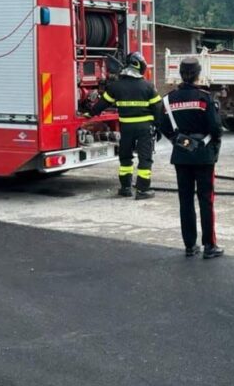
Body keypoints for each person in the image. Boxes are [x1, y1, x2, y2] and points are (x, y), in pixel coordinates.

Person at [158, 57, 225, 259]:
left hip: (181, 155)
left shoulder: (168, 100)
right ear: (198, 74)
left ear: (180, 74)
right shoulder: (205, 99)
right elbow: (216, 128)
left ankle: (190, 245)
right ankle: (209, 246)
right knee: (206, 201)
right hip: (204, 155)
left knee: (185, 201)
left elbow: (163, 126)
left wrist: (180, 141)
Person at [89, 51, 160, 199]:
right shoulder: (148, 86)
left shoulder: (116, 86)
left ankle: (126, 188)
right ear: (140, 66)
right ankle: (142, 190)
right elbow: (158, 110)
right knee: (145, 158)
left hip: (126, 128)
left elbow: (101, 105)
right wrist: (159, 128)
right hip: (144, 128)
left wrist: (89, 113)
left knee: (125, 157)